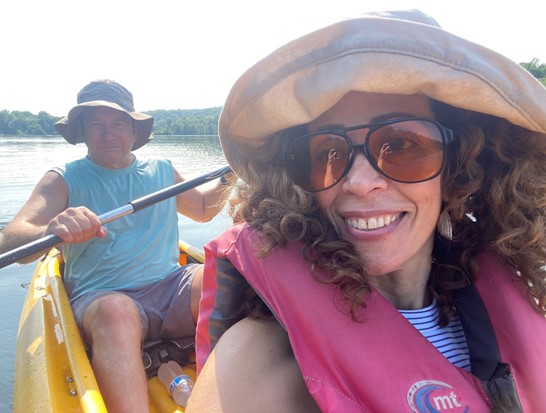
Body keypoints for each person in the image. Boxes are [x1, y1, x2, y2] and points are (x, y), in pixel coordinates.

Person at [186, 10, 546, 413]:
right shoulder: (259, 365)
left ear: (460, 165)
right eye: (327, 152)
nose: (358, 182)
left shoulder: (525, 306)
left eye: (402, 145)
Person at [0, 79, 232, 413]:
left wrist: (232, 173)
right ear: (82, 130)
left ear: (135, 131)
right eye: (97, 124)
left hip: (170, 286)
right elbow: (13, 237)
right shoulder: (63, 177)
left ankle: (227, 393)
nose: (108, 133)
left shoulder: (162, 170)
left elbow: (203, 209)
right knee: (116, 312)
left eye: (119, 123)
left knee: (225, 273)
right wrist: (52, 227)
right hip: (102, 298)